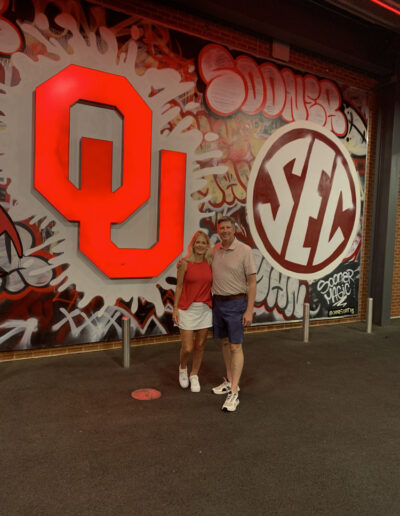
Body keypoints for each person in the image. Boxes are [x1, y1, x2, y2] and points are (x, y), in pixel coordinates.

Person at [211, 216, 256, 412]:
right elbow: (197, 260)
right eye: (222, 228)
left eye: (228, 227)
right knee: (224, 343)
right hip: (218, 303)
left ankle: (234, 391)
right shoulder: (215, 250)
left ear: (234, 229)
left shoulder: (245, 250)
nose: (225, 231)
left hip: (237, 303)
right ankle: (229, 380)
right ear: (218, 230)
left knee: (236, 346)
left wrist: (249, 310)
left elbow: (252, 283)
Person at [173, 230, 213, 393]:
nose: (200, 245)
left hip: (205, 309)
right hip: (186, 309)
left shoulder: (210, 263)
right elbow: (179, 286)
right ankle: (183, 368)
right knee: (188, 347)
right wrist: (175, 309)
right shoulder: (184, 263)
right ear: (193, 244)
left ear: (207, 246)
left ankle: (194, 374)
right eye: (198, 242)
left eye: (203, 242)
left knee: (201, 345)